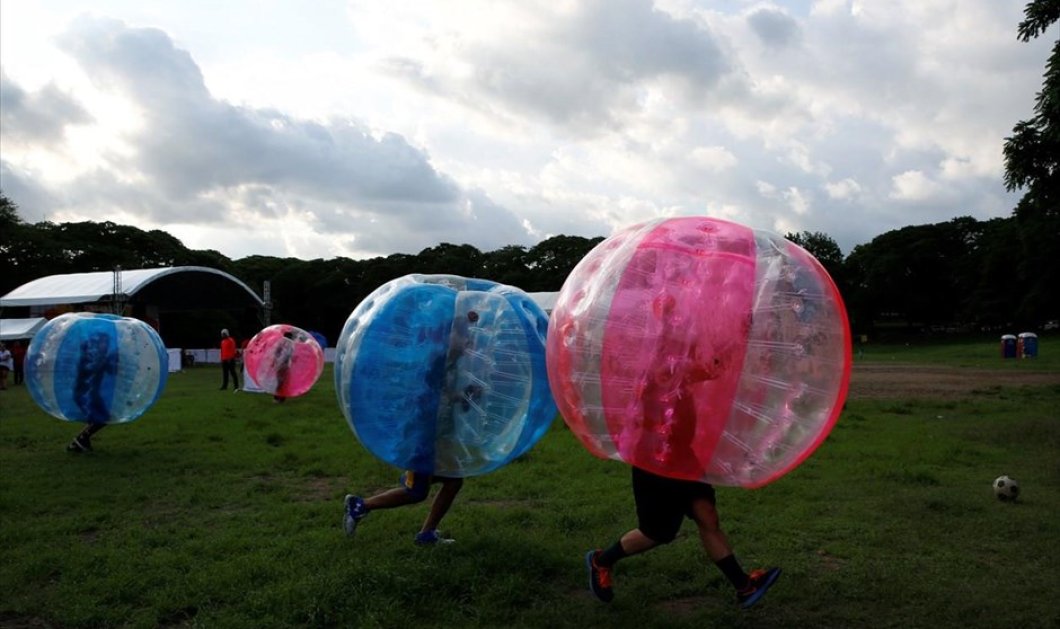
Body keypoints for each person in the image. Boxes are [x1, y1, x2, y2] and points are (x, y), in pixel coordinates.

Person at [584, 291, 780, 609]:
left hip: (681, 456)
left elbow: (709, 366)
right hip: (655, 460)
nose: (689, 340)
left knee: (707, 516)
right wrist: (739, 333)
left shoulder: (677, 364)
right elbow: (712, 366)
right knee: (657, 533)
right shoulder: (661, 369)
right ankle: (601, 561)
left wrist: (736, 333)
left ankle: (743, 587)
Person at [343, 309, 479, 545]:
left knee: (454, 479)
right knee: (417, 493)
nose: (468, 340)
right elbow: (424, 395)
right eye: (462, 335)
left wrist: (463, 396)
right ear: (446, 336)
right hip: (422, 436)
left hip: (437, 435)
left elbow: (444, 393)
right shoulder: (437, 358)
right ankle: (360, 505)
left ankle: (426, 534)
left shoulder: (452, 361)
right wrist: (462, 319)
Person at [66, 330, 118, 453]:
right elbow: (91, 369)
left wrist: (114, 361)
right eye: (103, 342)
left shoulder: (100, 356)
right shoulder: (89, 356)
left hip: (92, 395)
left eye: (107, 342)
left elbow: (111, 371)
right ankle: (80, 440)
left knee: (100, 418)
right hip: (86, 395)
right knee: (102, 418)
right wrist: (107, 360)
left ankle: (79, 442)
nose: (105, 345)